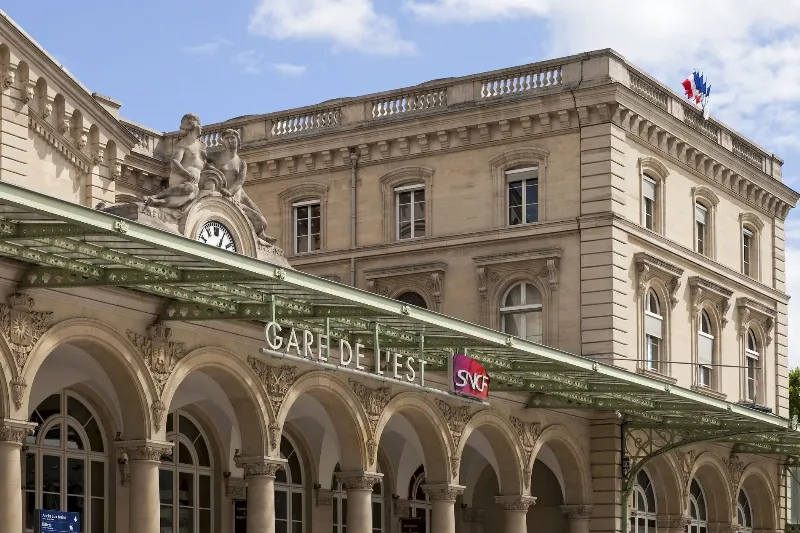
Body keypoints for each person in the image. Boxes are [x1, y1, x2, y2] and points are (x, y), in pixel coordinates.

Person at [208, 129, 274, 244]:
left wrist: (230, 192)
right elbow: (204, 163)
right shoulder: (216, 157)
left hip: (238, 194)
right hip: (222, 193)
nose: (230, 140)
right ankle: (256, 237)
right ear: (222, 141)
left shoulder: (241, 163)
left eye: (233, 138)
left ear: (238, 141)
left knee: (263, 222)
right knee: (255, 219)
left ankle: (260, 235)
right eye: (227, 138)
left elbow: (240, 181)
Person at [144, 113, 206, 209]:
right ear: (192, 126)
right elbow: (174, 163)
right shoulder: (183, 144)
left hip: (194, 185)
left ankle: (159, 202)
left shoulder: (202, 145)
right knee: (189, 189)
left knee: (189, 196)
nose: (201, 127)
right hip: (181, 179)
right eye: (199, 124)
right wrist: (187, 174)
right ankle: (156, 196)